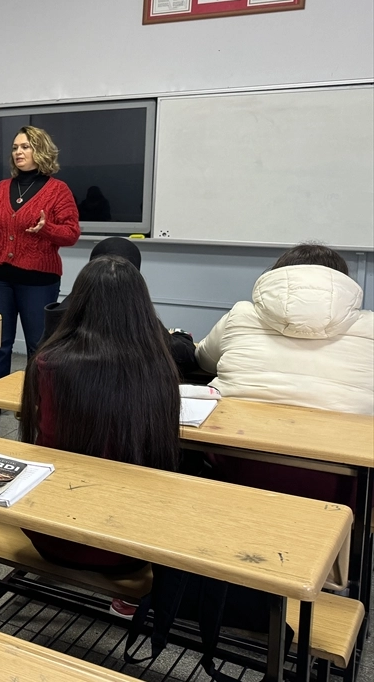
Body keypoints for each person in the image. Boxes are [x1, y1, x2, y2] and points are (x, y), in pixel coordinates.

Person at [20, 256, 180, 614]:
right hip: (132, 546)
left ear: (77, 302)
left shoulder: (49, 362)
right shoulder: (159, 363)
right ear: (141, 307)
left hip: (50, 534)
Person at [195, 244, 373, 504]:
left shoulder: (240, 314)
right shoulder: (369, 327)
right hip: (344, 481)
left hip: (236, 465)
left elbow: (203, 361)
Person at [0, 126, 80, 389]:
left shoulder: (58, 190)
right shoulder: (2, 188)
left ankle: (40, 399)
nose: (18, 152)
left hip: (38, 280)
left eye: (25, 146)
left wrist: (46, 228)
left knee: (39, 344)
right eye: (15, 148)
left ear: (41, 150)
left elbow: (71, 234)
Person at [42, 237, 197, 377]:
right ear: (135, 277)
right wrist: (182, 336)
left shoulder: (61, 316)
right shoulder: (138, 318)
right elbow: (183, 355)